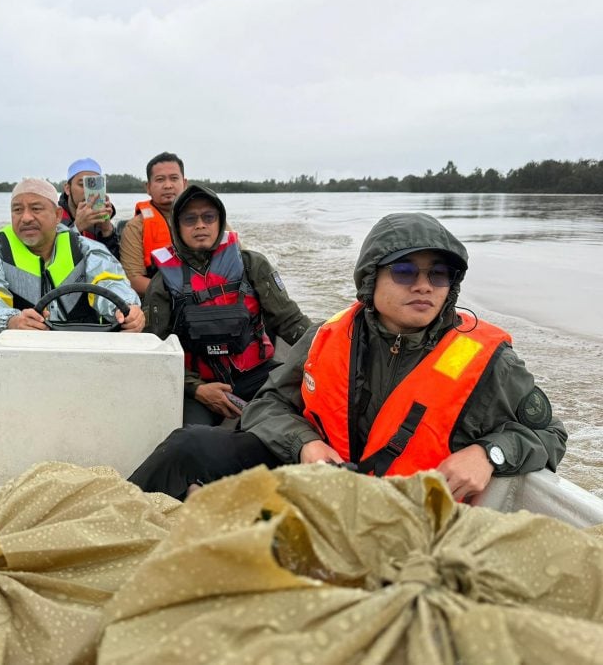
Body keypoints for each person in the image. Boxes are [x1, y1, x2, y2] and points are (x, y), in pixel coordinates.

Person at [129, 212, 567, 501]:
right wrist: (306, 446)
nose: (423, 285)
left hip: (405, 512)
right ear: (370, 279)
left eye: (439, 274)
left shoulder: (487, 360)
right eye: (404, 270)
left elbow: (550, 432)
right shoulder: (328, 336)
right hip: (318, 485)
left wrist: (488, 454)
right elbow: (267, 405)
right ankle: (120, 528)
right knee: (187, 445)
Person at [144, 184, 312, 425]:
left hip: (258, 376)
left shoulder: (253, 265)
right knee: (190, 440)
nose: (200, 225)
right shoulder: (161, 283)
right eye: (190, 219)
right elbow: (156, 351)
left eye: (208, 217)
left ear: (220, 221)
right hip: (200, 386)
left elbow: (291, 322)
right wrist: (197, 389)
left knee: (303, 415)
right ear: (177, 227)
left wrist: (328, 348)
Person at [0, 177, 144, 334]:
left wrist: (127, 309)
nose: (26, 218)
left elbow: (111, 283)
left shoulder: (87, 249)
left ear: (57, 215)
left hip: (82, 345)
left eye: (36, 209)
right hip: (23, 348)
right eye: (17, 210)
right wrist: (11, 320)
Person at [120, 151, 188, 296]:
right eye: (160, 180)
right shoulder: (135, 228)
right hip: (162, 300)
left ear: (185, 183)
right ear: (148, 187)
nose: (168, 185)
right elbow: (133, 280)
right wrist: (181, 294)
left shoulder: (208, 218)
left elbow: (238, 256)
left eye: (174, 178)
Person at [58, 157, 121, 258]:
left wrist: (107, 232)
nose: (89, 192)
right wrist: (76, 228)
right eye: (82, 184)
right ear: (67, 189)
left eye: (95, 186)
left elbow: (114, 266)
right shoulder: (54, 219)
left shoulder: (102, 220)